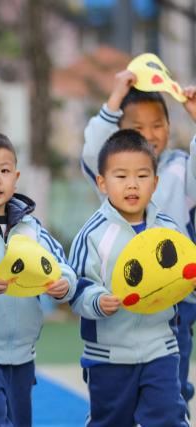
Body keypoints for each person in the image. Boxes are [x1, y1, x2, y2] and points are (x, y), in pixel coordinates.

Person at [82, 75, 196, 403]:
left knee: (170, 389)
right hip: (120, 297)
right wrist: (116, 93)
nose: (148, 134)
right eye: (137, 126)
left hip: (174, 299)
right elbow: (93, 150)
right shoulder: (113, 170)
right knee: (119, 396)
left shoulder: (180, 168)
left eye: (157, 124)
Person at [0, 130, 77, 426]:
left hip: (22, 351)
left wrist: (64, 286)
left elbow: (62, 267)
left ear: (16, 176)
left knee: (19, 420)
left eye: (4, 171)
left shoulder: (32, 229)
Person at [70, 129, 191, 426]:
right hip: (109, 355)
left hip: (160, 348)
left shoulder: (167, 230)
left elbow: (184, 276)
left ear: (156, 182)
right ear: (102, 182)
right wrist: (97, 301)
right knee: (111, 420)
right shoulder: (93, 234)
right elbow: (76, 287)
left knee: (168, 417)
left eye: (142, 175)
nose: (132, 185)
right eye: (121, 176)